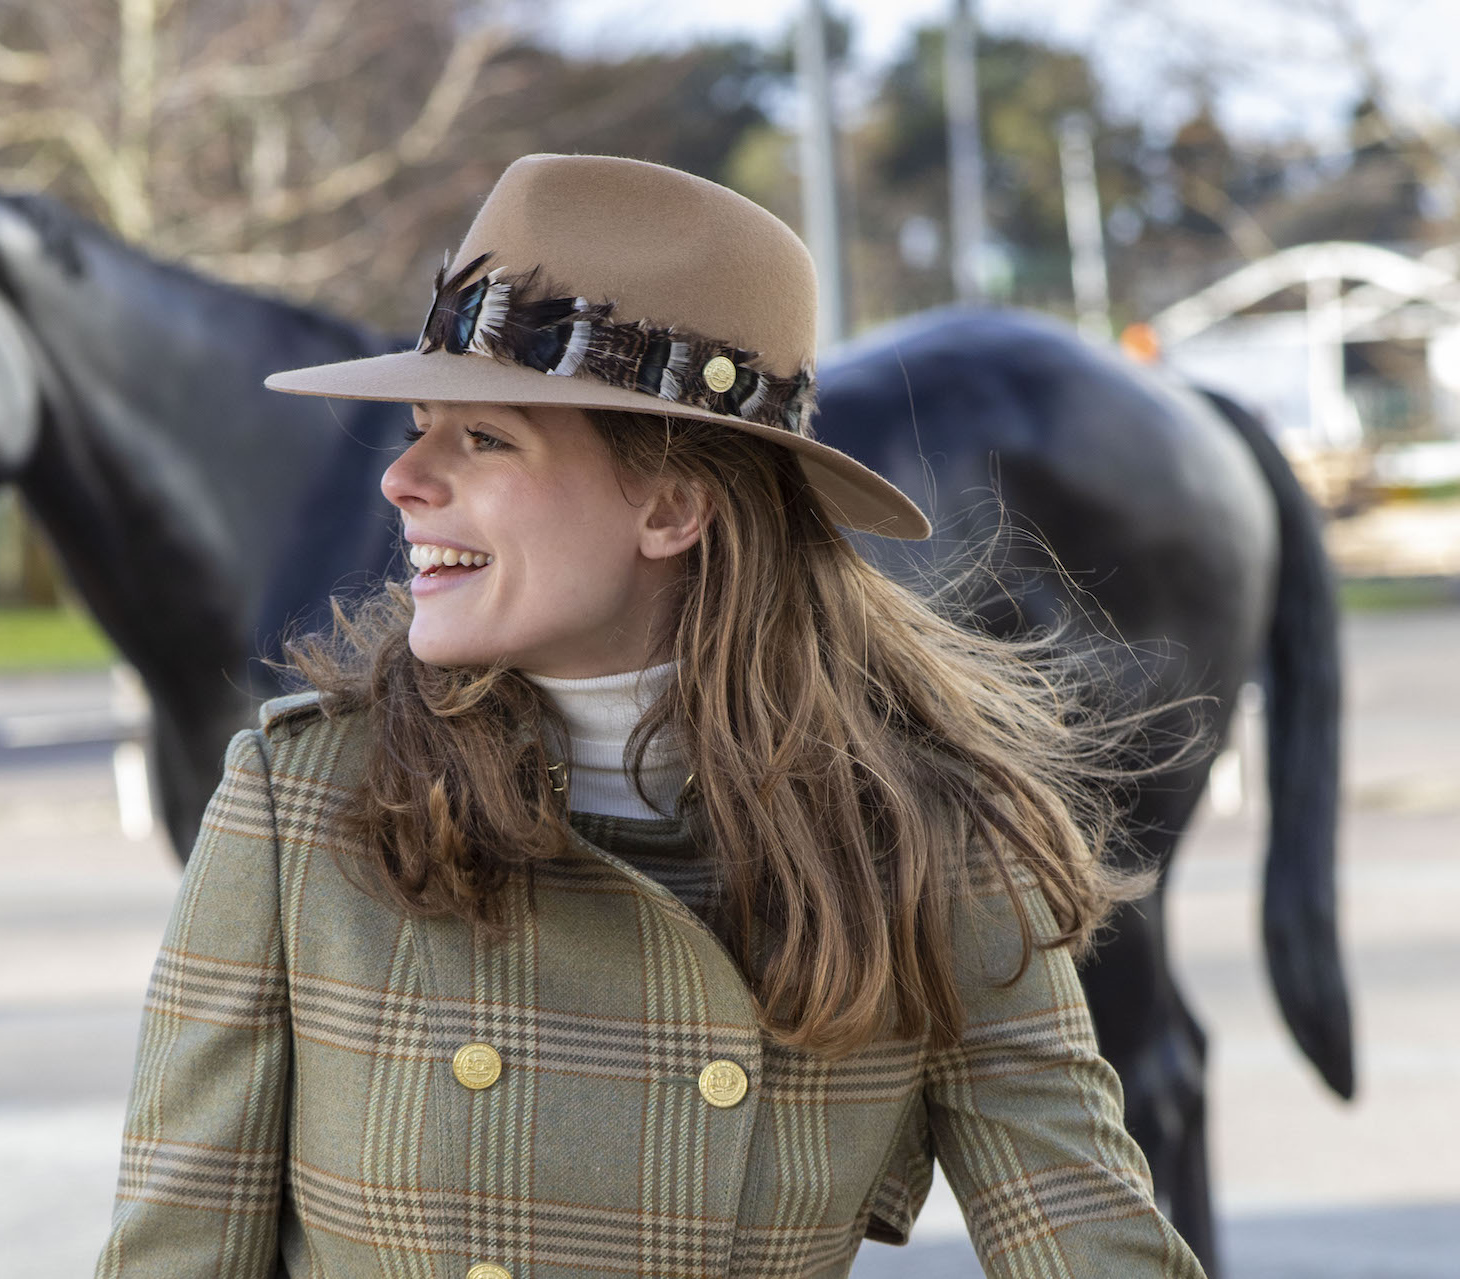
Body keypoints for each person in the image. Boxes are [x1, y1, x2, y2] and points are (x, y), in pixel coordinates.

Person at [93, 154, 1206, 1279]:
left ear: (672, 506)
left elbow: (1091, 1242)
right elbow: (174, 1257)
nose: (403, 478)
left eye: (485, 438)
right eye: (421, 423)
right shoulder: (301, 803)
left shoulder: (925, 834)